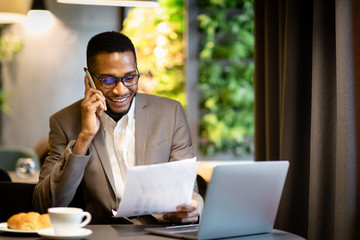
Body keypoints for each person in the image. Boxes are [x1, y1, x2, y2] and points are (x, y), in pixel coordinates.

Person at [33, 31, 203, 224]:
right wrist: (84, 137)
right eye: (108, 80)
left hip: (161, 231)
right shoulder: (64, 122)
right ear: (88, 78)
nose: (120, 90)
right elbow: (45, 205)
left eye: (130, 78)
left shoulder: (170, 113)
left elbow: (188, 190)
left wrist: (195, 207)